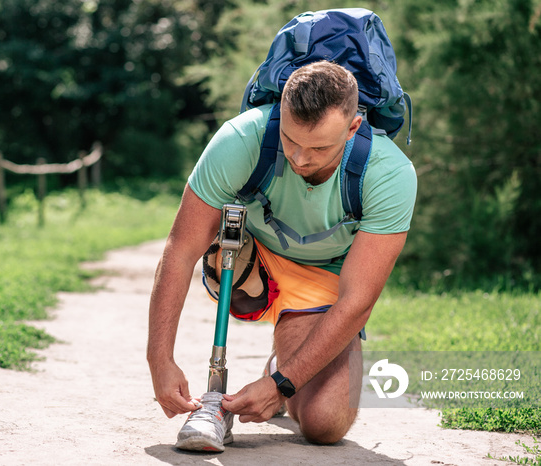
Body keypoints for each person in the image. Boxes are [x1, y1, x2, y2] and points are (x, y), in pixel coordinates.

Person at [147, 60, 417, 451]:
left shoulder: (389, 173)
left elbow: (357, 301)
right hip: (254, 260)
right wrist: (159, 358)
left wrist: (280, 384)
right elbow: (181, 247)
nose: (301, 159)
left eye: (320, 147)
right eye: (291, 140)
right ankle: (216, 399)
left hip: (327, 276)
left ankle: (277, 364)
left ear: (353, 127)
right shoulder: (242, 139)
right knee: (215, 239)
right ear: (279, 117)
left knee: (326, 423)